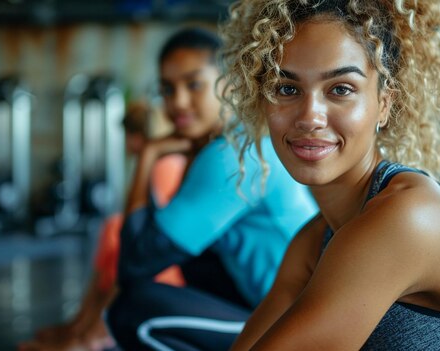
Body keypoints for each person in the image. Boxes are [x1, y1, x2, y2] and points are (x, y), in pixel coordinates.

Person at [218, 0, 440, 349]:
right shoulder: (314, 241)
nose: (310, 116)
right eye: (287, 89)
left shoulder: (405, 219)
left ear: (384, 105)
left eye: (341, 89)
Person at [105, 27, 318, 351]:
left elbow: (135, 264)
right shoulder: (238, 140)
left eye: (193, 84)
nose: (177, 102)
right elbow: (153, 247)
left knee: (134, 313)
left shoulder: (232, 155)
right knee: (196, 260)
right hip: (272, 310)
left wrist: (147, 156)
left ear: (229, 84)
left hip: (303, 329)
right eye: (167, 89)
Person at [19, 102, 187, 351]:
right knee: (113, 227)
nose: (128, 145)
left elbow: (156, 232)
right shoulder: (157, 163)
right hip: (154, 259)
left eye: (130, 137)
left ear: (138, 137)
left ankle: (93, 333)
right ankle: (82, 324)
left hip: (166, 270)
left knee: (120, 239)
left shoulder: (164, 166)